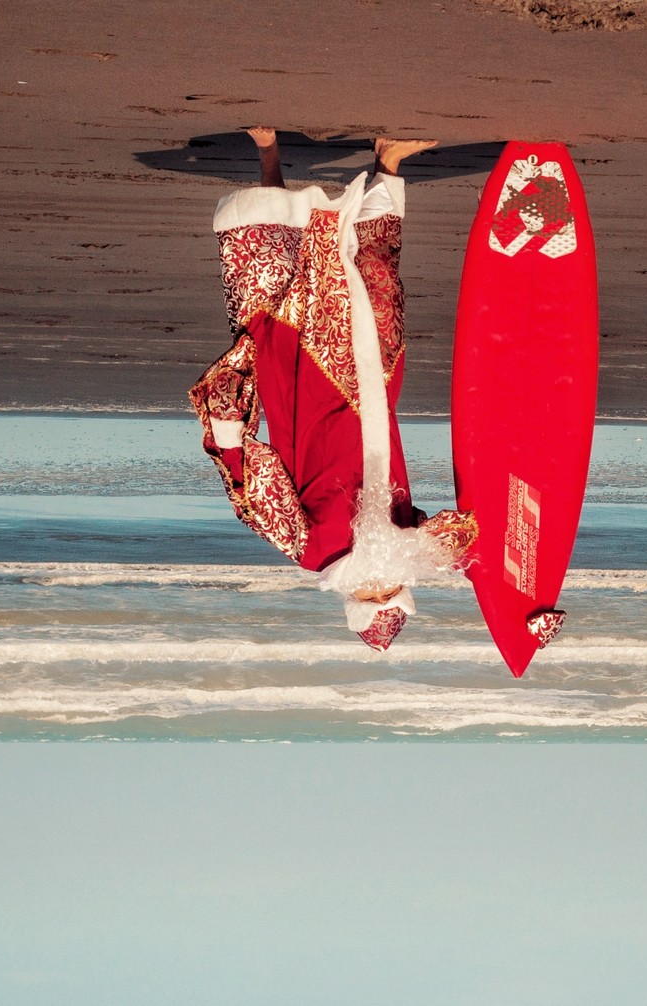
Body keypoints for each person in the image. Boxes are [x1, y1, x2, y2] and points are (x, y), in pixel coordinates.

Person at [189, 129, 477, 650]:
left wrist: (231, 435)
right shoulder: (404, 540)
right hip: (375, 389)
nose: (382, 582)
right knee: (379, 283)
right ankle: (388, 161)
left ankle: (268, 152)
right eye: (392, 590)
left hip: (311, 382)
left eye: (376, 594)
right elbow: (463, 531)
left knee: (291, 277)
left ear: (355, 599)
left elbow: (256, 494)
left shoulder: (308, 550)